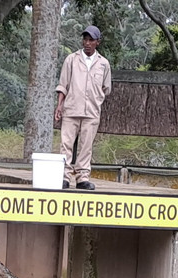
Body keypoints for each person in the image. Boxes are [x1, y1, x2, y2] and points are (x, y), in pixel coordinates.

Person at [54, 25, 112, 191]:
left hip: (91, 111)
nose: (87, 43)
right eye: (85, 39)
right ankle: (64, 176)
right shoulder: (71, 59)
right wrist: (59, 106)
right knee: (66, 144)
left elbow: (106, 88)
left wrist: (96, 98)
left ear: (97, 42)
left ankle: (82, 177)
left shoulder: (103, 64)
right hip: (71, 109)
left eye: (91, 40)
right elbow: (63, 85)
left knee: (86, 146)